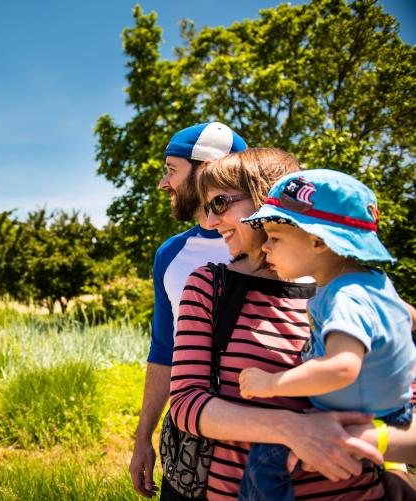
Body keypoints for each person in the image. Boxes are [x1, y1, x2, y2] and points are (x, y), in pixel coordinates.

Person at [167, 148, 416, 500]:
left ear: (270, 199)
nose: (210, 221)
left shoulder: (353, 293)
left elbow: (400, 400)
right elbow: (186, 403)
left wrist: (393, 467)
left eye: (220, 203)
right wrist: (293, 429)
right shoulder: (210, 286)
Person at [236, 169, 416, 500]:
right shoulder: (373, 280)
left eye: (275, 237)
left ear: (318, 241)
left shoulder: (344, 296)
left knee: (267, 457)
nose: (266, 248)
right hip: (388, 410)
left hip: (362, 419)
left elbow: (342, 367)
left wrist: (271, 383)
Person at [130, 122, 247, 498]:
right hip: (188, 452)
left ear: (208, 169)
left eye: (171, 169)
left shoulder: (278, 244)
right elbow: (165, 351)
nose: (164, 183)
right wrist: (143, 437)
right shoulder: (170, 254)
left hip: (262, 453)